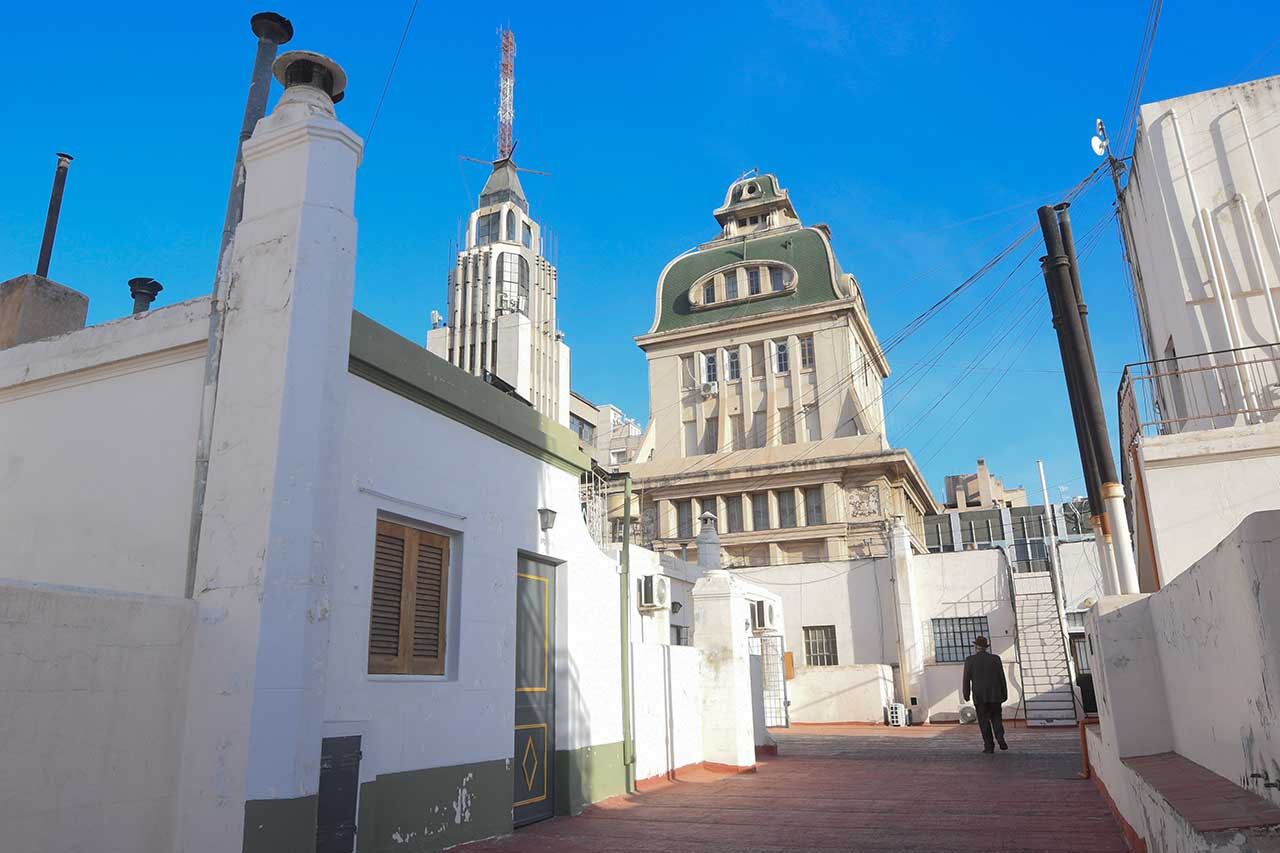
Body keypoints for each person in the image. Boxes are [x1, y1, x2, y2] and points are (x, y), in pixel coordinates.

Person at [962, 635, 1008, 754]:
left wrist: (966, 694)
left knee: (984, 722)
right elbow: (1001, 677)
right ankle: (1000, 737)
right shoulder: (995, 659)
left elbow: (966, 678)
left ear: (976, 647)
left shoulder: (970, 660)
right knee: (996, 718)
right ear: (986, 647)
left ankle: (989, 746)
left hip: (980, 696)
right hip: (995, 695)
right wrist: (1004, 693)